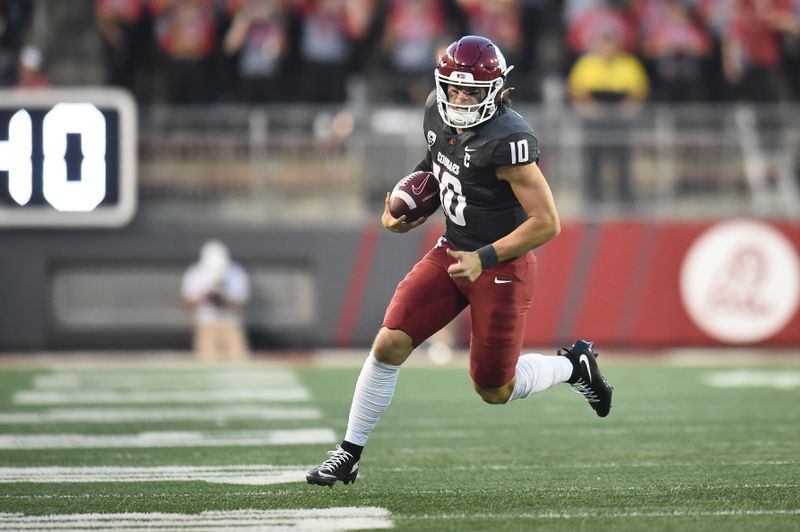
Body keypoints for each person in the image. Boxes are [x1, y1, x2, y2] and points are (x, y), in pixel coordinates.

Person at [306, 35, 613, 488]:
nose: (460, 98)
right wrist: (404, 205)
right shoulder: (435, 109)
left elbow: (547, 223)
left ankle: (573, 367)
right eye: (453, 88)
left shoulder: (509, 140)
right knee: (389, 343)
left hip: (502, 265)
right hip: (452, 251)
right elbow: (436, 165)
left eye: (471, 91)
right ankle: (348, 453)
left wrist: (485, 257)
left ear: (497, 90)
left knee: (494, 389)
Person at [181, 239, 251, 361]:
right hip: (206, 324)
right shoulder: (194, 273)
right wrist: (205, 296)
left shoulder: (236, 272)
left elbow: (242, 304)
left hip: (231, 323)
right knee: (207, 363)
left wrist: (224, 297)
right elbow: (188, 305)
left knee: (239, 363)